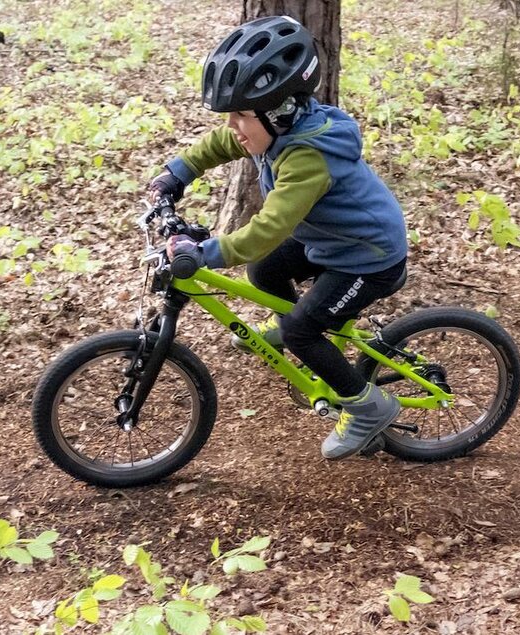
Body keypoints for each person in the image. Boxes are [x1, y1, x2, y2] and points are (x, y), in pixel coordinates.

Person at [147, 16, 408, 460]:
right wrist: (179, 171)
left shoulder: (308, 158)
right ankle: (293, 330)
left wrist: (205, 253)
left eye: (241, 115)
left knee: (302, 331)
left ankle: (368, 408)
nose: (233, 125)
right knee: (264, 270)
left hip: (368, 258)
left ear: (281, 110)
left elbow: (268, 229)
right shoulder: (271, 133)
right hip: (331, 242)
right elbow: (221, 143)